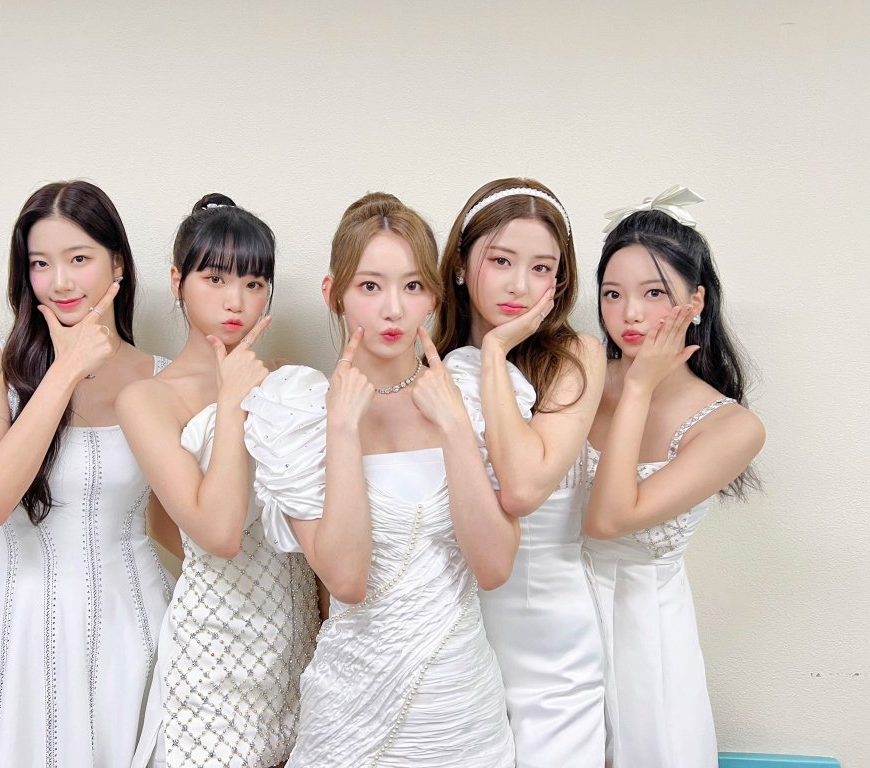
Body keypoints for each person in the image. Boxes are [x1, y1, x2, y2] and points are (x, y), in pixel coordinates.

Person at [242, 192, 518, 767]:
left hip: (462, 708)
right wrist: (342, 429)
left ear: (434, 297)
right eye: (370, 286)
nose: (393, 309)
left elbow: (493, 567)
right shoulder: (297, 413)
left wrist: (454, 427)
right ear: (334, 293)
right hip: (351, 709)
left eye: (412, 286)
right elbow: (346, 580)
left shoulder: (473, 394)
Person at [0, 180, 174, 767]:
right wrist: (66, 369)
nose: (61, 282)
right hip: (28, 628)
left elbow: (179, 525)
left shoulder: (163, 379)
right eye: (40, 264)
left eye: (79, 259)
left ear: (117, 263)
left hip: (137, 626)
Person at [117, 194, 320, 768]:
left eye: (254, 283)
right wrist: (231, 400)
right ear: (177, 282)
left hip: (296, 635)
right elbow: (217, 533)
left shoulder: (288, 382)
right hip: (215, 647)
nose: (236, 300)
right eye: (215, 279)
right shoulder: (148, 399)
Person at [582, 187, 765, 767]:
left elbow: (610, 519)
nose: (630, 314)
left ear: (697, 300)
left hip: (647, 646)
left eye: (654, 293)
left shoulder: (731, 427)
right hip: (550, 621)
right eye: (613, 294)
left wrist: (637, 387)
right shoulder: (575, 375)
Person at [435, 178, 607, 767]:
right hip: (452, 632)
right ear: (461, 265)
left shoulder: (575, 356)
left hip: (552, 646)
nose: (519, 285)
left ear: (559, 281)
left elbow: (523, 486)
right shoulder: (425, 365)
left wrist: (493, 353)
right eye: (501, 261)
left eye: (541, 269)